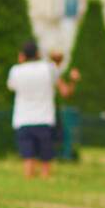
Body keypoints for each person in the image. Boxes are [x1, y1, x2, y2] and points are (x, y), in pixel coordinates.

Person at [9, 40, 76, 179]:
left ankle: (29, 182)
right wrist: (73, 80)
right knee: (45, 160)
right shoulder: (49, 68)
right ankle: (45, 179)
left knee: (28, 158)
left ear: (22, 55)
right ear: (38, 53)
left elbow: (12, 86)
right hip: (44, 119)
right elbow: (65, 92)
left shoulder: (15, 71)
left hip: (23, 119)